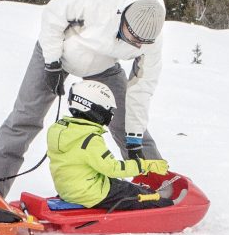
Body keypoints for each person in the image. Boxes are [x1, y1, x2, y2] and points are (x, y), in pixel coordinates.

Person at [0, 0, 166, 194]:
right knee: (24, 119)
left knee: (128, 126)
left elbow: (141, 90)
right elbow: (52, 17)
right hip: (57, 52)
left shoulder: (150, 41)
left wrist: (134, 139)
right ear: (123, 16)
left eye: (143, 43)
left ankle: (159, 190)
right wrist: (51, 63)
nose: (137, 46)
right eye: (133, 38)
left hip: (103, 67)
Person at [46, 79, 176, 210]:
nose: (111, 115)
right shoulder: (89, 139)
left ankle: (150, 193)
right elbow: (113, 168)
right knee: (130, 193)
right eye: (108, 110)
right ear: (94, 109)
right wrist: (143, 165)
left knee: (118, 184)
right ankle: (167, 204)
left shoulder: (57, 130)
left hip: (69, 191)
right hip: (92, 194)